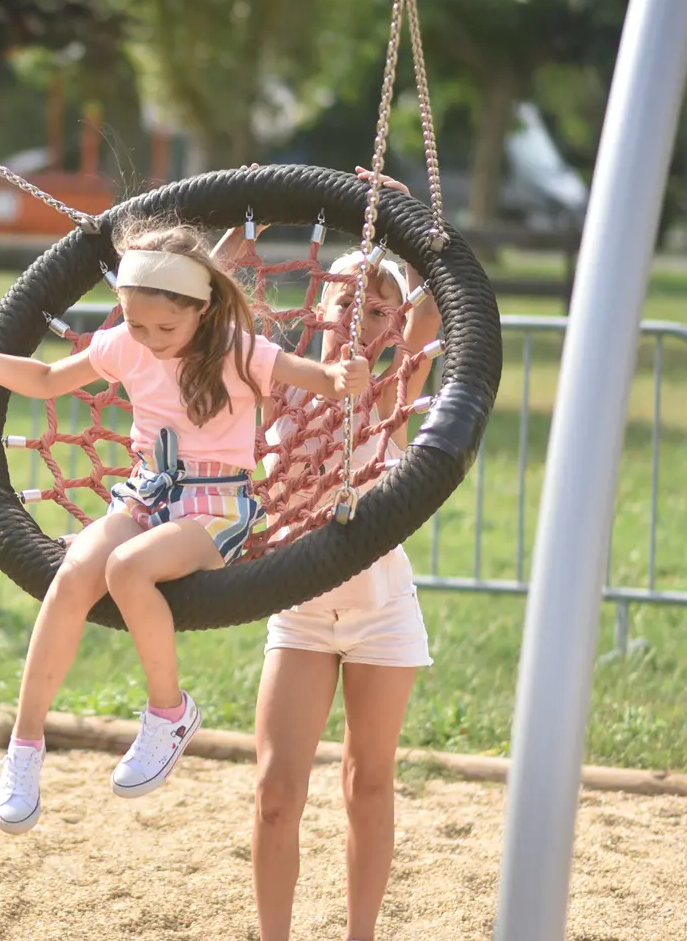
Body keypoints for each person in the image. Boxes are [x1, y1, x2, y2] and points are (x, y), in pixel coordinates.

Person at [0, 217, 370, 835]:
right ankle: (25, 744)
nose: (151, 338)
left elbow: (322, 381)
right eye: (137, 324)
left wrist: (345, 377)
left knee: (127, 569)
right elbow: (46, 380)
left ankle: (169, 711)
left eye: (166, 326)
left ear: (201, 309)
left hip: (217, 506)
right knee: (74, 575)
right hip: (146, 492)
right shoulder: (127, 343)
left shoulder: (238, 350)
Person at [244, 176, 442, 941]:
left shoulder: (397, 382)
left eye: (382, 309)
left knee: (368, 783)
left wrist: (404, 216)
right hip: (300, 611)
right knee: (274, 790)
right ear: (319, 306)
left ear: (395, 329)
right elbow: (218, 309)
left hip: (381, 614)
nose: (366, 316)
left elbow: (436, 293)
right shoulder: (274, 380)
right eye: (350, 300)